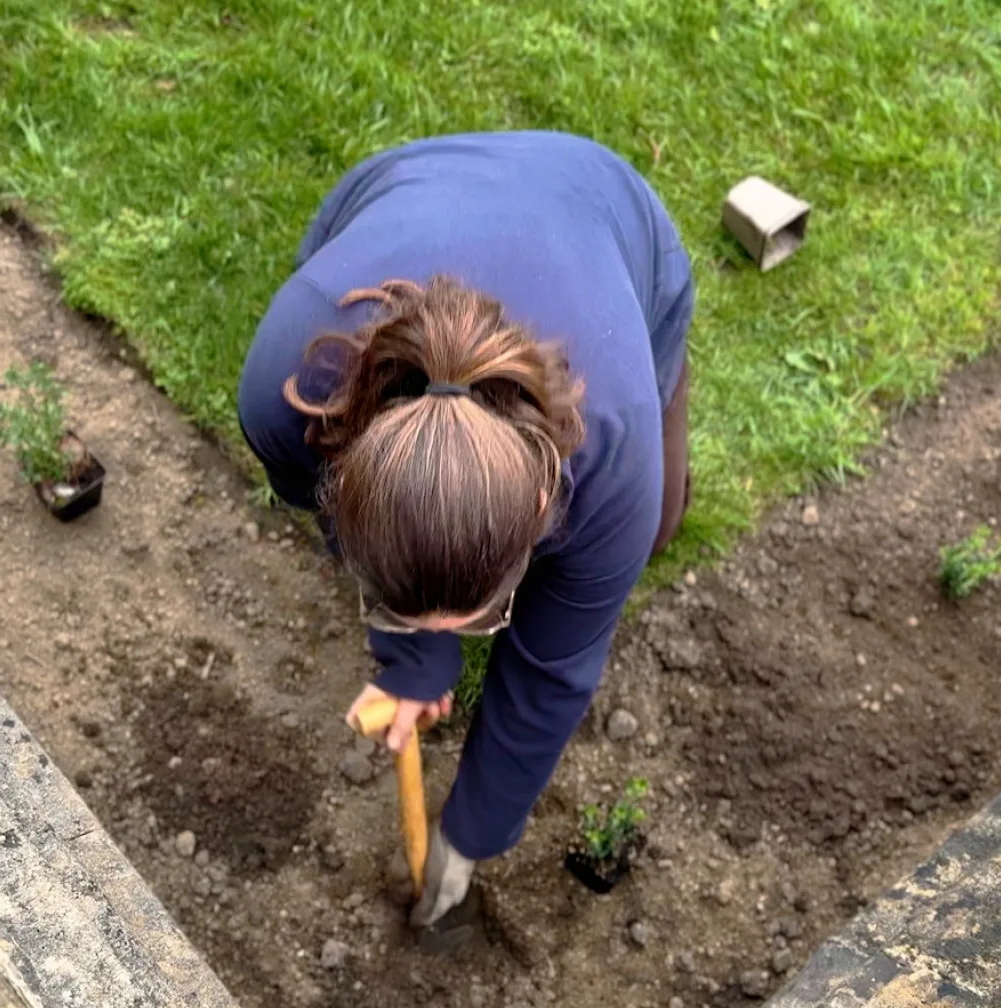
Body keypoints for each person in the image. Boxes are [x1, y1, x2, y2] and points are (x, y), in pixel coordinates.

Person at [237, 131, 694, 928]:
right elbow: (350, 534)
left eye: (483, 613)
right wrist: (413, 658)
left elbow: (554, 667)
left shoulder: (612, 457)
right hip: (402, 189)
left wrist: (475, 827)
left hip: (604, 212)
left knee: (654, 528)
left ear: (542, 520)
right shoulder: (290, 394)